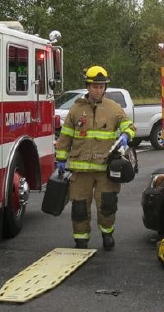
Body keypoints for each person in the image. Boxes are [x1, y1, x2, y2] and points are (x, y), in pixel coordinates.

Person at [54, 66, 136, 250]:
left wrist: (126, 136)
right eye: (94, 86)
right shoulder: (76, 110)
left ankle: (107, 235)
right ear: (88, 86)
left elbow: (130, 126)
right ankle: (81, 239)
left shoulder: (114, 108)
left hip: (105, 170)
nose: (98, 90)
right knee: (79, 208)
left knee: (107, 205)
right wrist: (60, 159)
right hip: (80, 170)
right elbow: (66, 136)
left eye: (101, 87)